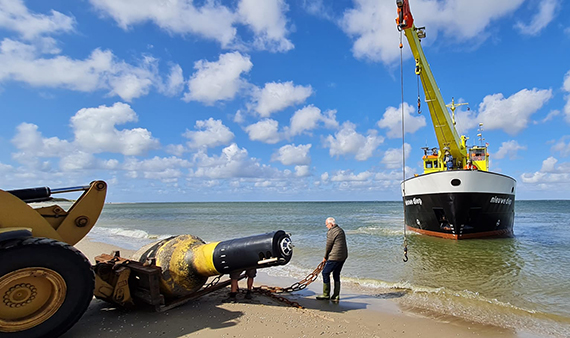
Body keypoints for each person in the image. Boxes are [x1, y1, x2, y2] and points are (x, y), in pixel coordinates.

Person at [316, 217, 348, 303]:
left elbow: (328, 245)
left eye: (327, 225)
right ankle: (336, 295)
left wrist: (325, 257)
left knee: (325, 272)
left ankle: (326, 295)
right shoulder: (340, 230)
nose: (326, 226)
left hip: (335, 256)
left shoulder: (331, 231)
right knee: (336, 273)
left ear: (331, 224)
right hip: (343, 256)